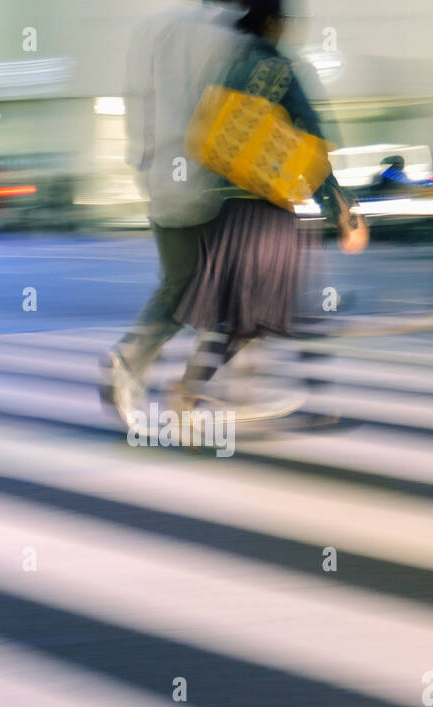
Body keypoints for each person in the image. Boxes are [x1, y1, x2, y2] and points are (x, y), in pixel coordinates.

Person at [168, 0, 368, 415]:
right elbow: (312, 150)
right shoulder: (280, 72)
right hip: (267, 209)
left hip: (227, 210)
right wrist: (342, 214)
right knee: (265, 314)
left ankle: (201, 390)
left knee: (244, 316)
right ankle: (191, 392)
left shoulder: (230, 69)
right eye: (288, 21)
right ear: (273, 23)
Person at [100, 0, 248, 424]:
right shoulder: (234, 36)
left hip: (160, 179)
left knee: (179, 285)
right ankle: (194, 394)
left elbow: (137, 105)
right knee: (238, 292)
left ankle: (128, 362)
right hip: (214, 183)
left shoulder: (153, 28)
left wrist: (144, 165)